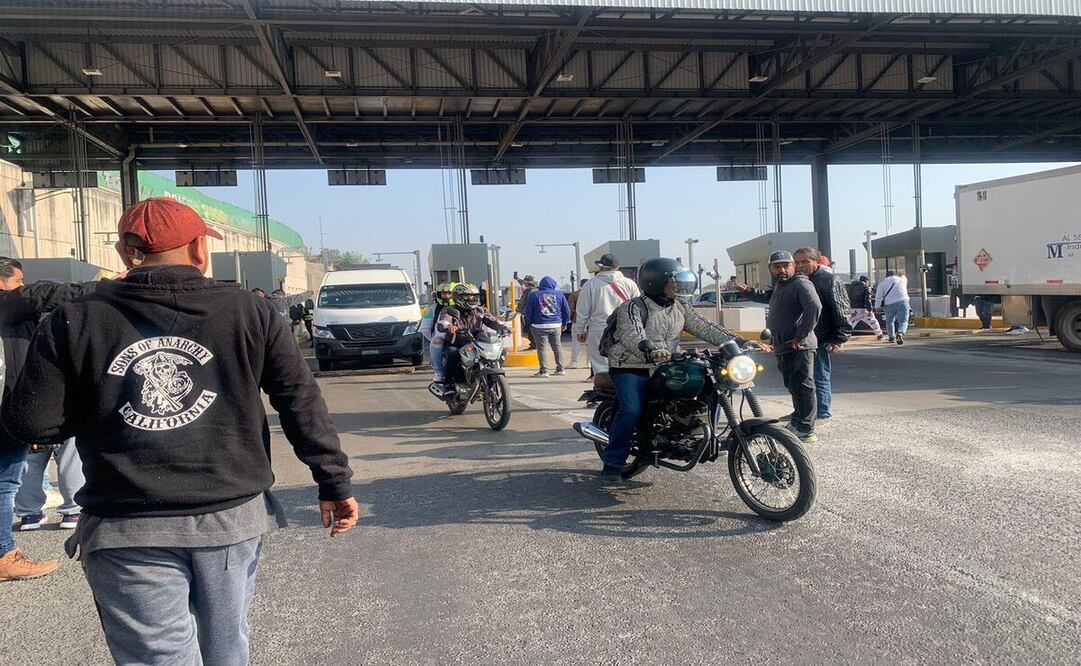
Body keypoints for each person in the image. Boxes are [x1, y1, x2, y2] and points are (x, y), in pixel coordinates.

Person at [4, 198, 358, 663]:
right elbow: (299, 400)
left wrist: (101, 400)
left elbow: (33, 421)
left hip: (126, 525)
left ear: (124, 251)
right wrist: (333, 482)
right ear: (198, 250)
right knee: (227, 645)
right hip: (231, 517)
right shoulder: (250, 311)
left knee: (159, 656)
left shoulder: (76, 319)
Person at [598, 258, 755, 484]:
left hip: (666, 364)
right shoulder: (633, 307)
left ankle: (694, 434)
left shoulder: (680, 305)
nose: (680, 287)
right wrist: (649, 349)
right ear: (656, 281)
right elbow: (632, 334)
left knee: (710, 383)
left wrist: (740, 341)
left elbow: (706, 327)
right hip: (632, 366)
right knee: (631, 409)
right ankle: (612, 464)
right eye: (675, 282)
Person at [0, 259, 95, 582]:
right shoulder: (9, 303)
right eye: (19, 281)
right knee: (6, 481)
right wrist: (108, 286)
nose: (24, 287)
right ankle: (4, 553)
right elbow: (47, 296)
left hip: (13, 406)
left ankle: (22, 524)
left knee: (17, 475)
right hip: (9, 409)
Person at [761, 252, 822, 442]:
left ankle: (805, 428)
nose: (782, 269)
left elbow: (814, 307)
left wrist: (800, 336)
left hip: (799, 347)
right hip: (784, 346)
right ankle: (797, 421)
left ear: (794, 266)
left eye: (786, 265)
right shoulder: (781, 286)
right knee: (794, 386)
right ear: (771, 269)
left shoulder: (801, 283)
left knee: (804, 387)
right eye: (777, 266)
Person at [791, 248, 851, 425]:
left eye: (805, 261)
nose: (800, 265)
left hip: (820, 337)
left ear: (817, 261)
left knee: (819, 376)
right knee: (801, 379)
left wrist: (839, 337)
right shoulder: (796, 281)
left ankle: (823, 413)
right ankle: (804, 411)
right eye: (797, 262)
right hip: (799, 338)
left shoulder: (828, 280)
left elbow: (841, 309)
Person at [573, 253, 640, 377]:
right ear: (617, 267)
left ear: (600, 266)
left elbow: (582, 311)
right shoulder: (630, 284)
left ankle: (604, 389)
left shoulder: (590, 285)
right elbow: (637, 308)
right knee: (624, 361)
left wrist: (580, 330)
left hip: (599, 328)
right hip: (625, 328)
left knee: (600, 364)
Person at [435, 283, 509, 389]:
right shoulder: (449, 310)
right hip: (456, 343)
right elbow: (443, 322)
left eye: (473, 296)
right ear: (457, 297)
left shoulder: (480, 310)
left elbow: (492, 321)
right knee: (452, 354)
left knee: (500, 352)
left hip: (476, 344)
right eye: (466, 296)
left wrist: (504, 327)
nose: (470, 298)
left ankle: (491, 378)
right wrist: (449, 326)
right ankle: (449, 384)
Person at [15, 438, 84, 530]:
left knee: (30, 462)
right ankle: (73, 512)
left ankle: (29, 514)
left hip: (33, 426)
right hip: (64, 425)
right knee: (70, 459)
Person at [524, 276, 571, 378]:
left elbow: (529, 311)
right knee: (557, 347)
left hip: (539, 325)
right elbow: (566, 310)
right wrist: (564, 323)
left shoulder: (534, 295)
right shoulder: (559, 295)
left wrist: (530, 322)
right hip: (556, 324)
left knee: (542, 349)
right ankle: (560, 369)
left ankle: (544, 371)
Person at [422, 281, 457, 382]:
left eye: (449, 293)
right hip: (442, 334)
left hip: (462, 335)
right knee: (435, 344)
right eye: (443, 293)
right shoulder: (432, 309)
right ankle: (439, 372)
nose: (446, 296)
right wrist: (434, 337)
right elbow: (425, 328)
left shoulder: (462, 305)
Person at [875, 270, 911, 344]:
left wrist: (877, 307)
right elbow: (904, 277)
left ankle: (891, 337)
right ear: (896, 275)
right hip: (903, 302)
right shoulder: (901, 280)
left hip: (889, 304)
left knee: (890, 321)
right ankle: (900, 333)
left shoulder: (882, 284)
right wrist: (902, 274)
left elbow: (878, 297)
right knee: (903, 321)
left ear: (886, 276)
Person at [847, 276, 885, 341]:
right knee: (873, 321)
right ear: (866, 281)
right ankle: (880, 335)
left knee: (850, 324)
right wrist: (870, 310)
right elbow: (868, 299)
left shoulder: (851, 288)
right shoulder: (866, 288)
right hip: (863, 309)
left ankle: (843, 338)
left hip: (853, 309)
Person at [567, 278, 588, 368]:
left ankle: (574, 362)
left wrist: (570, 319)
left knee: (576, 342)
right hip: (591, 321)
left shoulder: (575, 294)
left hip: (577, 319)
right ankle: (589, 363)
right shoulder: (593, 293)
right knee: (589, 343)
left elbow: (570, 309)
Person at [516, 275, 538, 349]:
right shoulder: (528, 290)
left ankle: (534, 345)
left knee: (531, 331)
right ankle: (533, 344)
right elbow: (522, 282)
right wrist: (517, 278)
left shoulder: (531, 292)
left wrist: (524, 311)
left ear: (529, 284)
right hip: (527, 314)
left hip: (530, 315)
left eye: (525, 284)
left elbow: (529, 305)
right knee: (529, 331)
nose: (522, 286)